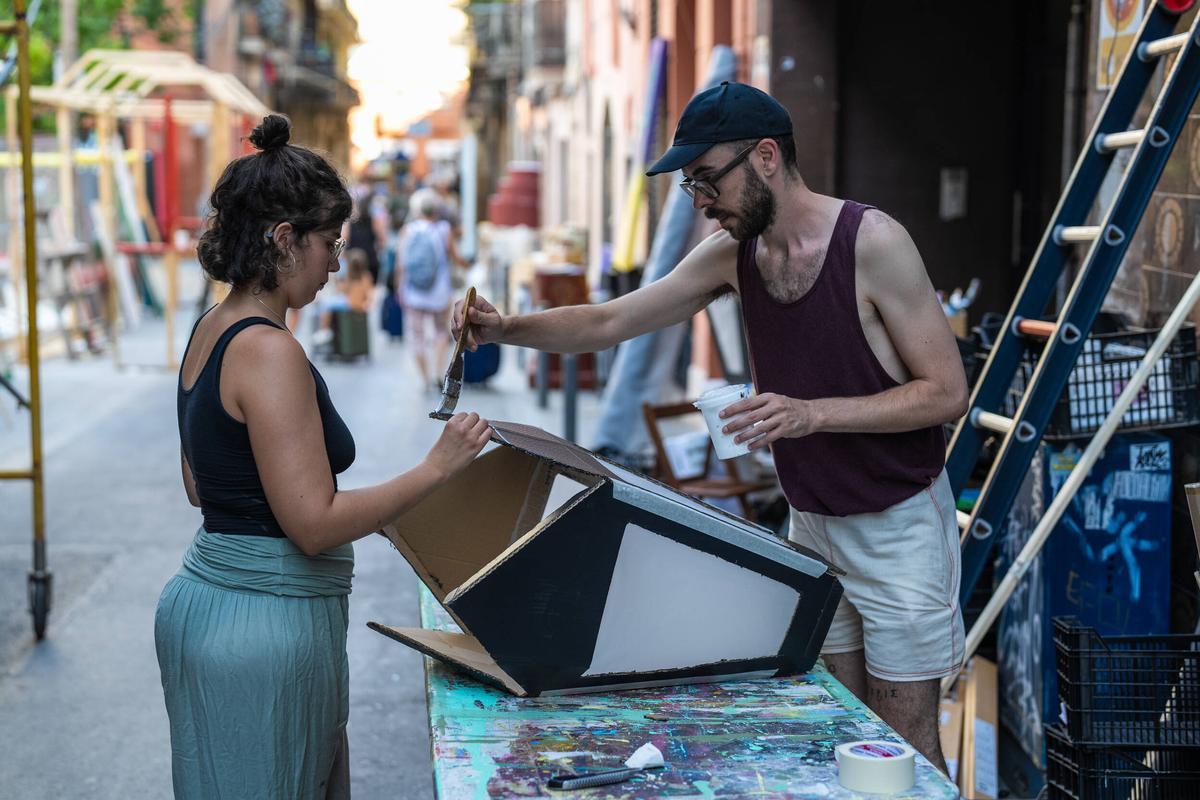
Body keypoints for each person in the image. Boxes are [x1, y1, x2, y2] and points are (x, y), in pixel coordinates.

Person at [453, 82, 969, 772]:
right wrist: (505, 329)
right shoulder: (734, 255)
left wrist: (811, 414)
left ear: (764, 158)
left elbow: (946, 393)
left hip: (898, 524)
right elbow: (611, 320)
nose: (699, 201)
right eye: (690, 186)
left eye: (705, 179)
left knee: (904, 751)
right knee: (845, 740)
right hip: (813, 522)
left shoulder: (872, 243)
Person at [155, 114, 492, 799]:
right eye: (328, 246)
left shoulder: (210, 329)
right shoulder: (268, 351)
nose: (336, 265)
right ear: (283, 239)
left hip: (210, 608)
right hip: (261, 630)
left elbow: (200, 484)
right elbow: (312, 522)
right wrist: (437, 468)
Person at [399, 188, 462, 392]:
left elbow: (401, 265)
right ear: (436, 210)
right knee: (440, 331)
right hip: (439, 292)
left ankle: (425, 379)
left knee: (416, 336)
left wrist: (400, 289)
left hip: (414, 292)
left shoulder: (408, 231)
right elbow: (456, 258)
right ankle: (437, 373)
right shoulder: (444, 230)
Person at [313, 247, 374, 348]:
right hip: (356, 304)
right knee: (327, 303)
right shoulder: (365, 276)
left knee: (326, 304)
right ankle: (325, 329)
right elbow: (368, 293)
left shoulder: (354, 277)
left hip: (350, 303)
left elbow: (343, 291)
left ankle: (324, 329)